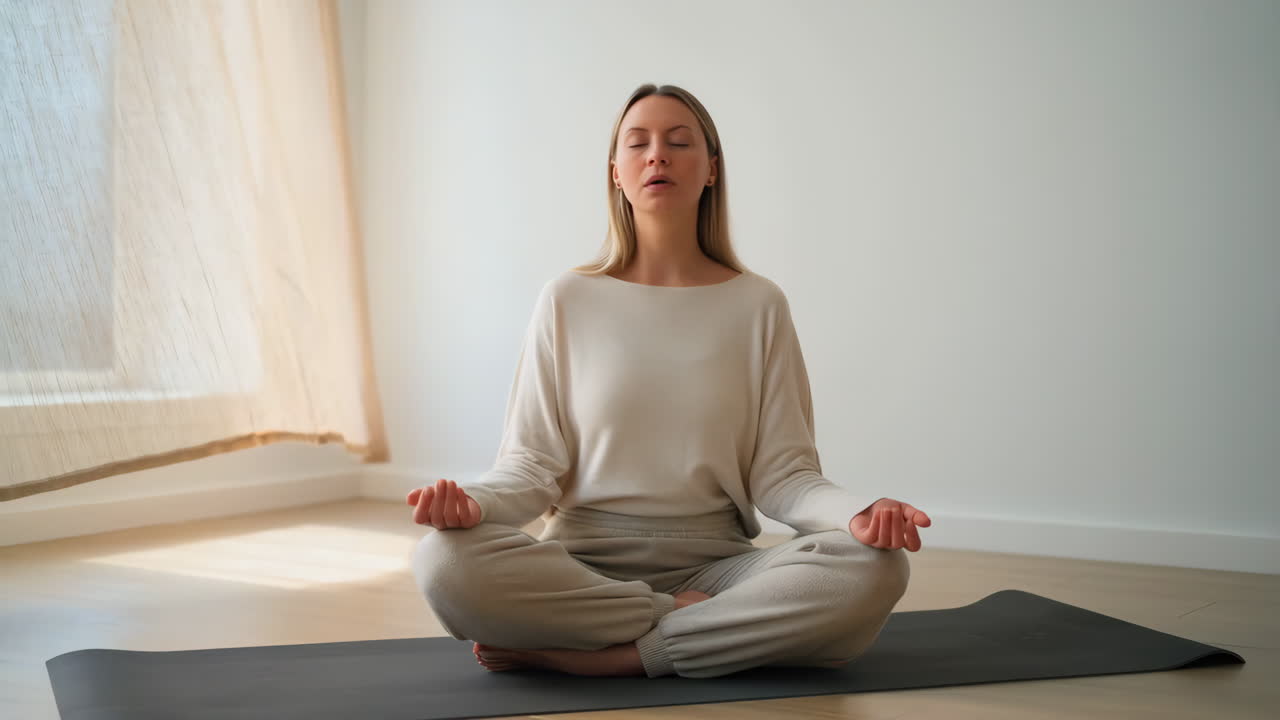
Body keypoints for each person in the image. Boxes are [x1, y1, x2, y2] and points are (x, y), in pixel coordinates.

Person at [407, 83, 931, 679]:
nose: (658, 155)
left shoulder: (758, 303)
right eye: (640, 144)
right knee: (444, 562)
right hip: (581, 564)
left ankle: (621, 655)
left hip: (720, 566)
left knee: (875, 567)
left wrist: (856, 514)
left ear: (711, 170)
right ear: (617, 174)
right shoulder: (568, 299)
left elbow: (786, 475)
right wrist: (473, 504)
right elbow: (530, 465)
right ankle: (683, 621)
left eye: (679, 143)